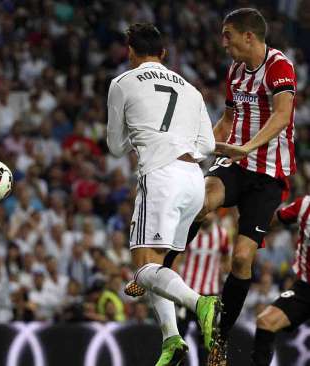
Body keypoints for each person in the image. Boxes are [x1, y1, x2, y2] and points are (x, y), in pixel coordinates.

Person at [182, 8, 298, 364]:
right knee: (201, 200)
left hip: (267, 176)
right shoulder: (235, 72)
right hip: (235, 161)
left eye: (227, 35)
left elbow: (282, 115)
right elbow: (228, 120)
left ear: (249, 36)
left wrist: (248, 146)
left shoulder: (280, 66)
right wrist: (193, 153)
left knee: (242, 259)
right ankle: (158, 265)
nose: (223, 43)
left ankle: (219, 336)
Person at [106, 23, 220, 366]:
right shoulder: (192, 89)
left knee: (141, 270)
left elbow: (114, 147)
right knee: (159, 266)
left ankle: (202, 303)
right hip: (193, 179)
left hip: (161, 176)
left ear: (130, 51)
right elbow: (210, 146)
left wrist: (138, 136)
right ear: (164, 54)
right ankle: (172, 339)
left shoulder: (122, 83)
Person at [251, 195, 310, 365]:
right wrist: (251, 233)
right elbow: (275, 219)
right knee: (266, 321)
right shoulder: (304, 205)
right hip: (305, 288)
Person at [175, 213, 231, 357]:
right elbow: (177, 257)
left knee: (206, 340)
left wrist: (223, 274)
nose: (207, 216)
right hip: (188, 291)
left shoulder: (222, 234)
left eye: (211, 213)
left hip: (210, 293)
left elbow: (225, 259)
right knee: (179, 335)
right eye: (205, 213)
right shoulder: (189, 231)